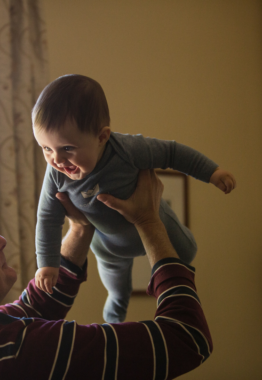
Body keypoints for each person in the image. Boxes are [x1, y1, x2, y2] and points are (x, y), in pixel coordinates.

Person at [0, 170, 213, 380]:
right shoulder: (20, 352)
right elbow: (186, 338)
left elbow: (33, 306)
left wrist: (80, 228)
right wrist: (149, 221)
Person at [33, 74, 236, 322]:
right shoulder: (55, 174)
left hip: (156, 221)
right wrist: (47, 264)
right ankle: (114, 320)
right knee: (118, 290)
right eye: (46, 148)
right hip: (109, 246)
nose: (57, 160)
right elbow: (47, 218)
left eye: (67, 148)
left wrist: (212, 172)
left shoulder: (127, 150)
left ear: (101, 137)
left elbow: (172, 153)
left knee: (187, 252)